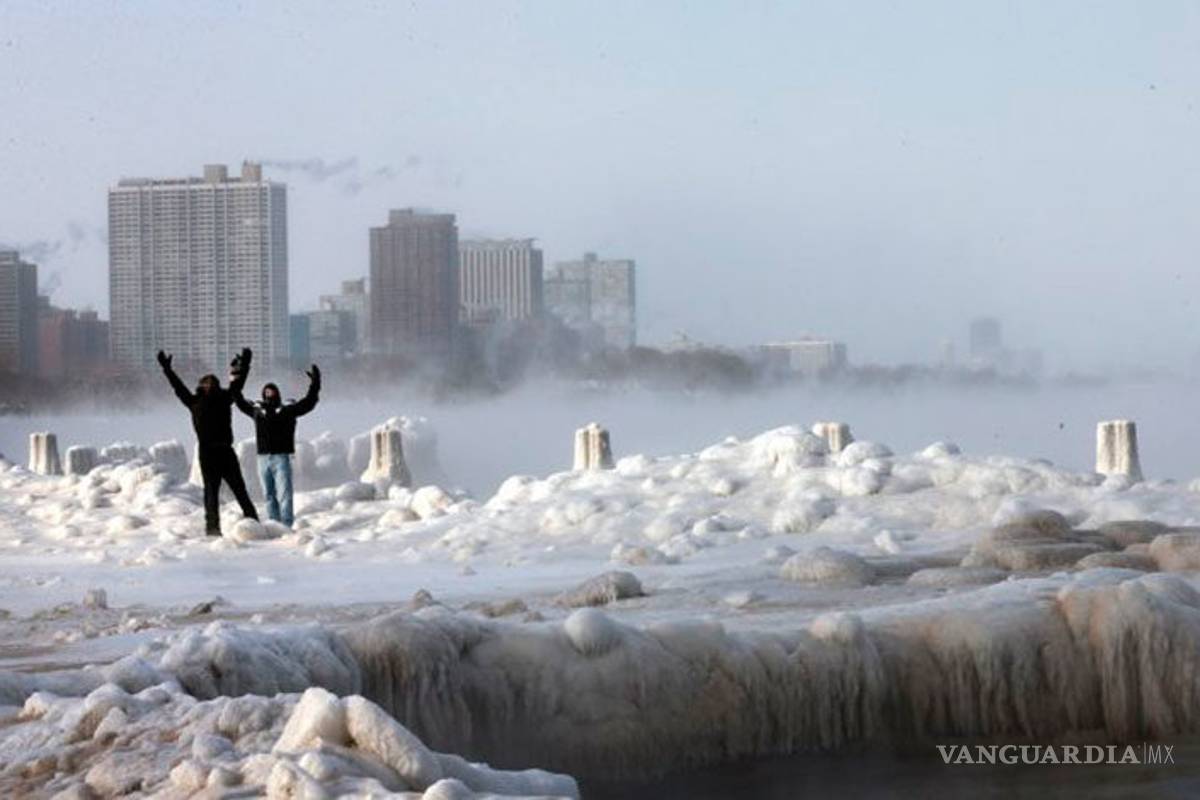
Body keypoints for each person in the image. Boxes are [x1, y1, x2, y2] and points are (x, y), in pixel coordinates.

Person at [157, 348, 259, 536]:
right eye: (207, 382)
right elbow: (177, 387)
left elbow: (238, 385)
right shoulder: (194, 401)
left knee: (239, 489)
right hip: (208, 452)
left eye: (213, 382)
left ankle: (253, 521)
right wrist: (167, 370)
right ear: (201, 386)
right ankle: (212, 529)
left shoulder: (225, 398)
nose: (210, 384)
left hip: (225, 450)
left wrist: (245, 365)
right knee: (211, 492)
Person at [232, 364, 321, 527]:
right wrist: (236, 376)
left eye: (271, 391)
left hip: (281, 457)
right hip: (263, 458)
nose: (269, 394)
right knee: (268, 494)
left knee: (285, 493)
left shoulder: (287, 409)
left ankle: (286, 524)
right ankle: (274, 523)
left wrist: (315, 384)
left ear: (277, 393)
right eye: (266, 391)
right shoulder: (257, 410)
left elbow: (308, 403)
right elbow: (237, 399)